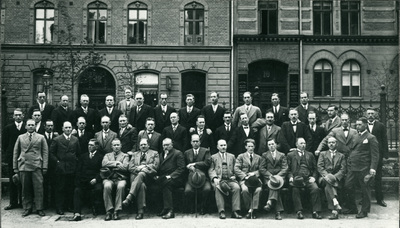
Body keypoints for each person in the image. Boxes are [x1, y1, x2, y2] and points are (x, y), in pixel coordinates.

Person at [342, 117, 379, 218]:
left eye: (360, 125)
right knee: (348, 186)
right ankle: (353, 208)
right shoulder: (355, 136)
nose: (357, 126)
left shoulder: (371, 138)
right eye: (356, 125)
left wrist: (372, 168)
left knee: (365, 189)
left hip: (364, 168)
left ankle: (364, 211)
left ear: (365, 125)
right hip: (352, 167)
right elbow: (351, 150)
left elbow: (375, 155)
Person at [13, 119, 48, 217]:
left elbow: (45, 152)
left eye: (33, 125)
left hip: (37, 165)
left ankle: (39, 208)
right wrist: (15, 167)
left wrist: (44, 166)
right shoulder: (20, 137)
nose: (31, 126)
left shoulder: (41, 137)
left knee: (39, 188)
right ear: (26, 126)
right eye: (29, 125)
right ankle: (27, 208)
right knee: (25, 188)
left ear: (35, 126)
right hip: (24, 165)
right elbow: (16, 152)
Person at [123, 138, 159, 220]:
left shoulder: (154, 153)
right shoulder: (135, 154)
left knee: (142, 174)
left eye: (145, 144)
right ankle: (140, 212)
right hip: (136, 177)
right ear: (139, 146)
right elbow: (130, 167)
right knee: (141, 185)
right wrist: (139, 169)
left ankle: (130, 196)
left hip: (149, 177)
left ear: (148, 145)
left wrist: (144, 167)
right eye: (141, 145)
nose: (143, 146)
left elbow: (156, 166)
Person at [49, 121, 80, 215]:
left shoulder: (75, 139)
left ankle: (69, 206)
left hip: (72, 167)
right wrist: (57, 162)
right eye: (66, 128)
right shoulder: (57, 139)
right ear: (62, 128)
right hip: (61, 168)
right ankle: (59, 207)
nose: (68, 129)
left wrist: (75, 161)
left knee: (70, 187)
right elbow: (51, 153)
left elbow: (78, 153)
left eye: (70, 127)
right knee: (60, 188)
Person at [287, 138, 322, 220]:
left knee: (315, 188)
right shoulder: (290, 155)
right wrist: (290, 177)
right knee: (295, 189)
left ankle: (315, 211)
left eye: (304, 143)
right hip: (297, 178)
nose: (303, 145)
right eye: (301, 143)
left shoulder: (310, 154)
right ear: (296, 145)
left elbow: (315, 168)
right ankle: (299, 211)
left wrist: (314, 177)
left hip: (308, 178)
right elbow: (287, 169)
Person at [70, 139, 103, 221]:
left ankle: (96, 208)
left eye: (91, 145)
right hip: (84, 180)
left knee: (98, 189)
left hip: (95, 180)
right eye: (88, 145)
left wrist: (96, 179)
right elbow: (79, 170)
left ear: (96, 147)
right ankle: (77, 213)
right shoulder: (83, 156)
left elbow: (102, 170)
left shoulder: (101, 157)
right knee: (77, 190)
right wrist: (81, 180)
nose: (89, 147)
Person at [208, 139, 242, 219]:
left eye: (224, 145)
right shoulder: (213, 157)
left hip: (230, 179)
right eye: (221, 145)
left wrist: (235, 176)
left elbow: (236, 168)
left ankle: (235, 211)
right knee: (217, 188)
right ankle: (221, 211)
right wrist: (214, 178)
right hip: (219, 180)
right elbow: (211, 169)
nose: (223, 147)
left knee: (237, 188)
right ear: (217, 147)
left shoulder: (232, 156)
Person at [317, 137, 346, 220]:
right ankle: (335, 202)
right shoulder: (323, 154)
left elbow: (343, 169)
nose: (331, 144)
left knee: (328, 187)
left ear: (336, 144)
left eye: (333, 142)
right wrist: (327, 176)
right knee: (327, 181)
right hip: (323, 178)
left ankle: (334, 210)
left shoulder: (341, 155)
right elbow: (320, 167)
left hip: (336, 179)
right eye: (329, 142)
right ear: (327, 144)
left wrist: (334, 177)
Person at [155, 138, 185, 219]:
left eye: (168, 145)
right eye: (164, 145)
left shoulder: (178, 153)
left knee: (166, 184)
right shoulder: (161, 154)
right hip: (164, 178)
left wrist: (171, 176)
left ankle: (170, 211)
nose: (166, 147)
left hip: (176, 179)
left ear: (172, 145)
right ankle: (165, 209)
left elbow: (181, 168)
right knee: (158, 182)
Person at [2, 108, 26, 210]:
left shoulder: (26, 127)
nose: (18, 117)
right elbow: (5, 144)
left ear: (23, 116)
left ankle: (22, 202)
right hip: (13, 157)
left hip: (25, 158)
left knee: (24, 181)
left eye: (20, 115)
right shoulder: (8, 128)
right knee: (13, 180)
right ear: (13, 116)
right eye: (16, 115)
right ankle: (13, 202)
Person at [259, 140, 288, 220]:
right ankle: (278, 212)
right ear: (267, 146)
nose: (271, 146)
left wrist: (277, 177)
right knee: (274, 185)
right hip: (268, 178)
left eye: (272, 144)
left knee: (276, 184)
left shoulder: (282, 155)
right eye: (269, 144)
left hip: (280, 178)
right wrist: (271, 176)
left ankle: (270, 202)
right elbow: (262, 168)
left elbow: (285, 168)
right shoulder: (264, 155)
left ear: (276, 145)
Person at [366, 108, 389, 207]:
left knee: (378, 177)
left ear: (375, 115)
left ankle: (380, 199)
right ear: (366, 115)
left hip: (377, 155)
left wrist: (385, 155)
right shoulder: (362, 125)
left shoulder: (381, 126)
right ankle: (365, 199)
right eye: (369, 114)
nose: (370, 115)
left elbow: (384, 140)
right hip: (365, 155)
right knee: (365, 178)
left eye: (372, 113)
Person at [183, 134, 212, 214]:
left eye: (197, 141)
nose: (195, 143)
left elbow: (207, 163)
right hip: (191, 178)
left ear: (200, 142)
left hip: (203, 177)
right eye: (193, 141)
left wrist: (194, 164)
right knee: (188, 191)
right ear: (191, 142)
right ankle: (192, 206)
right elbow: (184, 165)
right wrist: (188, 167)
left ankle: (203, 207)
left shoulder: (206, 151)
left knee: (207, 189)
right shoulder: (187, 152)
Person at [102, 139, 129, 221]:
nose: (116, 147)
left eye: (118, 145)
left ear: (121, 146)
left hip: (121, 178)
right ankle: (109, 211)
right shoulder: (107, 155)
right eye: (114, 145)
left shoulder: (125, 155)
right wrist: (117, 163)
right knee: (107, 186)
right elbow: (104, 164)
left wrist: (111, 164)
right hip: (109, 178)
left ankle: (116, 211)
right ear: (111, 146)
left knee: (121, 186)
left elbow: (125, 167)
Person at [234, 139, 262, 219]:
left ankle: (254, 210)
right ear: (246, 147)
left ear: (254, 147)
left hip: (255, 179)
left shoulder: (258, 157)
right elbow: (236, 169)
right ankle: (250, 209)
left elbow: (262, 169)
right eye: (249, 146)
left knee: (258, 190)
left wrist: (254, 174)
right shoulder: (241, 156)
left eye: (252, 146)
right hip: (244, 179)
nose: (250, 148)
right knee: (245, 190)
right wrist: (245, 176)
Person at [42, 119, 59, 209]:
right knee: (44, 184)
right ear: (44, 126)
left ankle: (53, 203)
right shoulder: (41, 136)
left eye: (51, 126)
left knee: (54, 184)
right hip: (44, 164)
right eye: (48, 126)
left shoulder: (57, 137)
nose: (50, 127)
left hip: (54, 164)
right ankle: (45, 204)